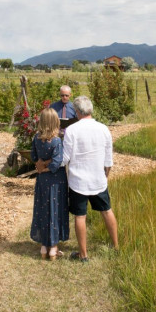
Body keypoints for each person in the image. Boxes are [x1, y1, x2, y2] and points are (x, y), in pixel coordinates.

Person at [62, 96, 118, 262]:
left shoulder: (72, 130)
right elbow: (108, 160)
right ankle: (116, 247)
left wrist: (48, 163)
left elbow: (65, 159)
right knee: (106, 211)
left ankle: (83, 255)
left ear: (77, 112)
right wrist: (105, 176)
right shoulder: (103, 129)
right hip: (98, 180)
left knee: (80, 216)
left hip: (78, 181)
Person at [30, 108, 69, 260]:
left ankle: (43, 247)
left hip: (41, 181)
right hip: (56, 181)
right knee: (55, 210)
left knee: (43, 209)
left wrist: (40, 166)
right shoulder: (57, 140)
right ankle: (53, 248)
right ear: (55, 122)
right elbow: (57, 163)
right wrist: (46, 168)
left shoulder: (36, 138)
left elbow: (34, 156)